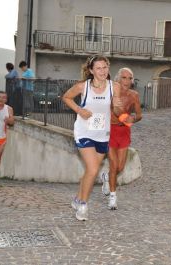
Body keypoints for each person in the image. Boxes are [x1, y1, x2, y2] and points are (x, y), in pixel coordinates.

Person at [62, 55, 119, 221]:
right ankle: (83, 206)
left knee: (90, 171)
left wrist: (120, 111)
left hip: (102, 134)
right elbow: (66, 97)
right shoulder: (83, 87)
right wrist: (80, 110)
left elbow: (116, 108)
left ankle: (77, 198)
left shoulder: (113, 87)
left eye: (105, 67)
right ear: (91, 70)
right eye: (99, 68)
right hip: (84, 131)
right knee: (94, 169)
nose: (102, 71)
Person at [103, 68, 142, 210]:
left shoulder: (134, 95)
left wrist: (132, 119)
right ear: (118, 79)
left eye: (129, 78)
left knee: (120, 167)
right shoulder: (110, 92)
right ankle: (113, 197)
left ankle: (107, 178)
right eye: (124, 77)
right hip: (110, 130)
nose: (127, 81)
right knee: (114, 165)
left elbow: (139, 115)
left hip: (124, 131)